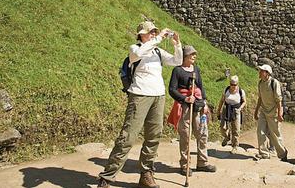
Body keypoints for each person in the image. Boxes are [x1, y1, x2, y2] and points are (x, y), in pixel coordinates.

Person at [98, 21, 183, 188]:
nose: (153, 34)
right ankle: (107, 177)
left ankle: (146, 174)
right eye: (150, 32)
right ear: (141, 34)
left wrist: (177, 44)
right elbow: (140, 53)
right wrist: (158, 38)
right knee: (128, 136)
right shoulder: (135, 48)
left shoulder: (158, 51)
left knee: (153, 137)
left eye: (154, 32)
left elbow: (177, 61)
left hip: (158, 96)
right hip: (139, 95)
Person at [167, 45, 217, 176]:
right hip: (184, 107)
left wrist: (204, 102)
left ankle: (202, 162)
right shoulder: (177, 71)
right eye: (191, 54)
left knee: (202, 134)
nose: (194, 56)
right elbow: (172, 90)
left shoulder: (196, 69)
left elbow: (200, 86)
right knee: (185, 136)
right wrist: (184, 99)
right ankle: (185, 164)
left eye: (194, 54)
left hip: (198, 105)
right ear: (185, 57)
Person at [254, 64, 288, 161]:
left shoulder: (274, 83)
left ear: (267, 73)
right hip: (264, 111)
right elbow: (260, 98)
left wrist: (279, 113)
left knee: (275, 134)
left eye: (261, 71)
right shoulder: (260, 83)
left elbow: (278, 100)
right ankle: (264, 153)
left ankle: (282, 154)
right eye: (260, 71)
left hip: (273, 112)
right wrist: (256, 111)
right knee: (260, 131)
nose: (259, 73)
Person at [217, 75, 246, 154]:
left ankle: (235, 146)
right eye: (232, 84)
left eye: (235, 85)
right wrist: (218, 110)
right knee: (223, 127)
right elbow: (221, 101)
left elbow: (244, 101)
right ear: (230, 83)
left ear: (238, 84)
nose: (233, 86)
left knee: (236, 129)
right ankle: (226, 137)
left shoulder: (241, 91)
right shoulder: (226, 90)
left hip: (236, 110)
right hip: (226, 109)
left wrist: (240, 108)